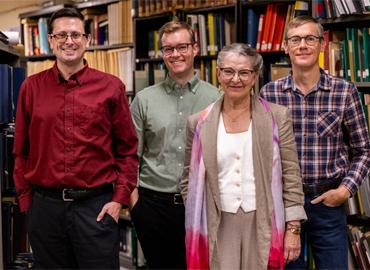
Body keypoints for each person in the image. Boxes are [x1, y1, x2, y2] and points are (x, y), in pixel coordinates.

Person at [13, 8, 138, 269]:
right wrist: (28, 204)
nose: (69, 41)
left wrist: (118, 200)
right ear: (51, 39)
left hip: (96, 209)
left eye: (75, 34)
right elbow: (21, 151)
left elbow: (127, 150)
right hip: (45, 209)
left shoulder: (111, 87)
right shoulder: (31, 88)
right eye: (61, 35)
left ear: (87, 40)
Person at [181, 43, 307, 270]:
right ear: (218, 73)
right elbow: (187, 179)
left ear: (255, 75)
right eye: (228, 71)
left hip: (263, 220)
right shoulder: (198, 122)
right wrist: (198, 211)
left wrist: (293, 228)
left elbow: (291, 176)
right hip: (216, 223)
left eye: (244, 72)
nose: (235, 79)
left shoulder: (277, 117)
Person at [260, 16, 370, 270]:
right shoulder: (269, 94)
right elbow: (263, 153)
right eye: (295, 39)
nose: (303, 45)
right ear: (286, 47)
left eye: (310, 38)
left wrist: (345, 190)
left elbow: (363, 150)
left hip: (328, 202)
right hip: (284, 204)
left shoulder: (344, 92)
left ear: (322, 45)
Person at [129, 20, 220, 269]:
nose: (175, 54)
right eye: (168, 49)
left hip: (201, 205)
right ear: (162, 53)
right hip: (152, 205)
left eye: (182, 47)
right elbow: (129, 155)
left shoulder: (217, 98)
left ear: (195, 48)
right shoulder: (143, 99)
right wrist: (136, 204)